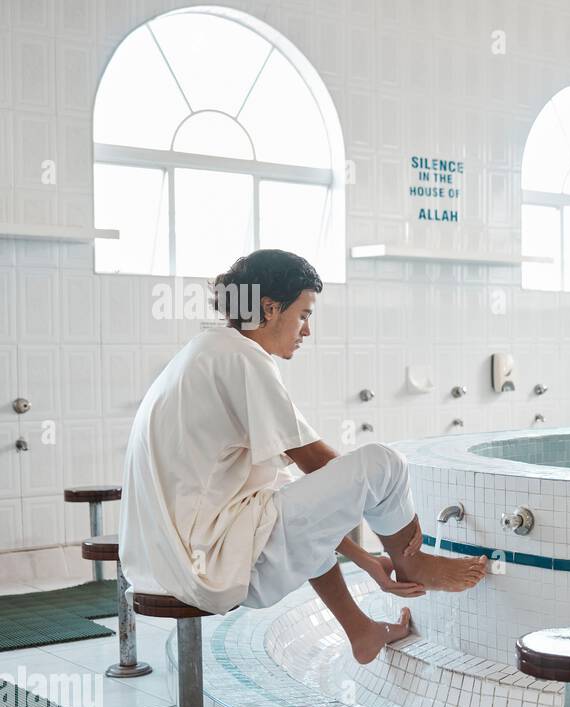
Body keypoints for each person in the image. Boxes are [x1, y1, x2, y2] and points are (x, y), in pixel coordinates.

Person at [120, 249, 486, 664]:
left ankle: (360, 630)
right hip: (207, 567)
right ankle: (414, 562)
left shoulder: (206, 349)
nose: (306, 331)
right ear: (270, 308)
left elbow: (305, 494)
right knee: (384, 463)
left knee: (293, 497)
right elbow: (318, 462)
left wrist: (365, 559)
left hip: (164, 564)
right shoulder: (241, 357)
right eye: (303, 314)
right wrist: (400, 534)